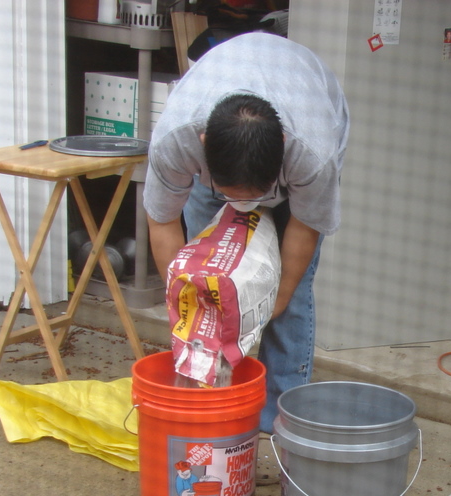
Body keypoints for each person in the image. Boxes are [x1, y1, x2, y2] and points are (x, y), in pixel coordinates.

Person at [144, 32, 349, 433]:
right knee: (205, 289)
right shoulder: (176, 139)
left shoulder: (312, 153)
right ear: (203, 145)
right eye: (230, 194)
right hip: (219, 148)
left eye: (254, 196)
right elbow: (162, 221)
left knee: (291, 296)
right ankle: (210, 407)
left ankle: (279, 422)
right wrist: (189, 303)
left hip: (306, 121)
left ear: (283, 146)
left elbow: (303, 230)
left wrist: (267, 305)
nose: (244, 204)